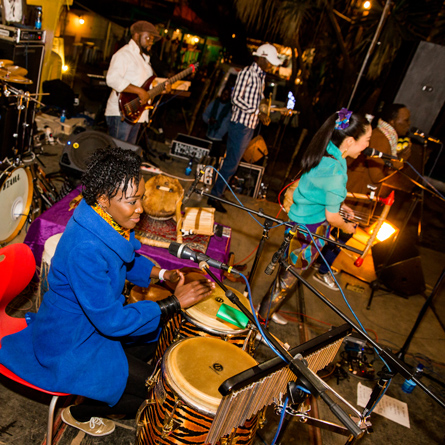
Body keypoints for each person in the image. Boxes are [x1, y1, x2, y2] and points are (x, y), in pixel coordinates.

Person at [0, 147, 215, 437]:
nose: (140, 208)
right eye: (132, 201)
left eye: (141, 198)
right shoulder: (85, 247)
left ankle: (107, 382)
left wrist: (163, 274)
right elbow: (111, 321)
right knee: (156, 390)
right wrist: (175, 302)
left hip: (91, 325)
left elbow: (124, 258)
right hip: (70, 342)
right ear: (104, 198)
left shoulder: (105, 216)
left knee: (153, 346)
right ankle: (77, 412)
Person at [257, 108, 372, 325]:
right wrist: (347, 227)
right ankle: (259, 322)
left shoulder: (328, 150)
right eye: (366, 140)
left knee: (286, 273)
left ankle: (267, 307)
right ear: (348, 141)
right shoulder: (337, 173)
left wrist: (342, 205)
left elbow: (322, 188)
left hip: (298, 221)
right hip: (309, 231)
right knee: (287, 279)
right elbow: (332, 216)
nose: (368, 146)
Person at [207, 44, 282, 213]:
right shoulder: (248, 73)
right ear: (261, 58)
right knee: (232, 163)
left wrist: (264, 110)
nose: (270, 65)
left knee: (232, 162)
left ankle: (218, 192)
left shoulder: (260, 76)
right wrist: (257, 111)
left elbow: (257, 99)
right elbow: (236, 99)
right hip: (240, 124)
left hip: (248, 124)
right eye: (269, 61)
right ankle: (214, 195)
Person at [105, 21, 170, 144]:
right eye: (148, 38)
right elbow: (112, 79)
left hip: (136, 113)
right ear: (136, 35)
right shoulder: (124, 54)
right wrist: (140, 91)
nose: (151, 42)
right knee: (117, 154)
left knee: (128, 154)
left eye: (153, 39)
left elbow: (145, 85)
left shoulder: (144, 59)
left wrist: (161, 88)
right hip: (121, 112)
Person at [202, 87, 232, 158]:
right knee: (204, 156)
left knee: (214, 158)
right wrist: (209, 120)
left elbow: (227, 124)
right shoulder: (214, 103)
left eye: (226, 95)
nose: (224, 96)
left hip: (218, 140)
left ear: (229, 96)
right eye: (223, 94)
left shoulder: (230, 108)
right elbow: (205, 114)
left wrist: (220, 132)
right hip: (208, 134)